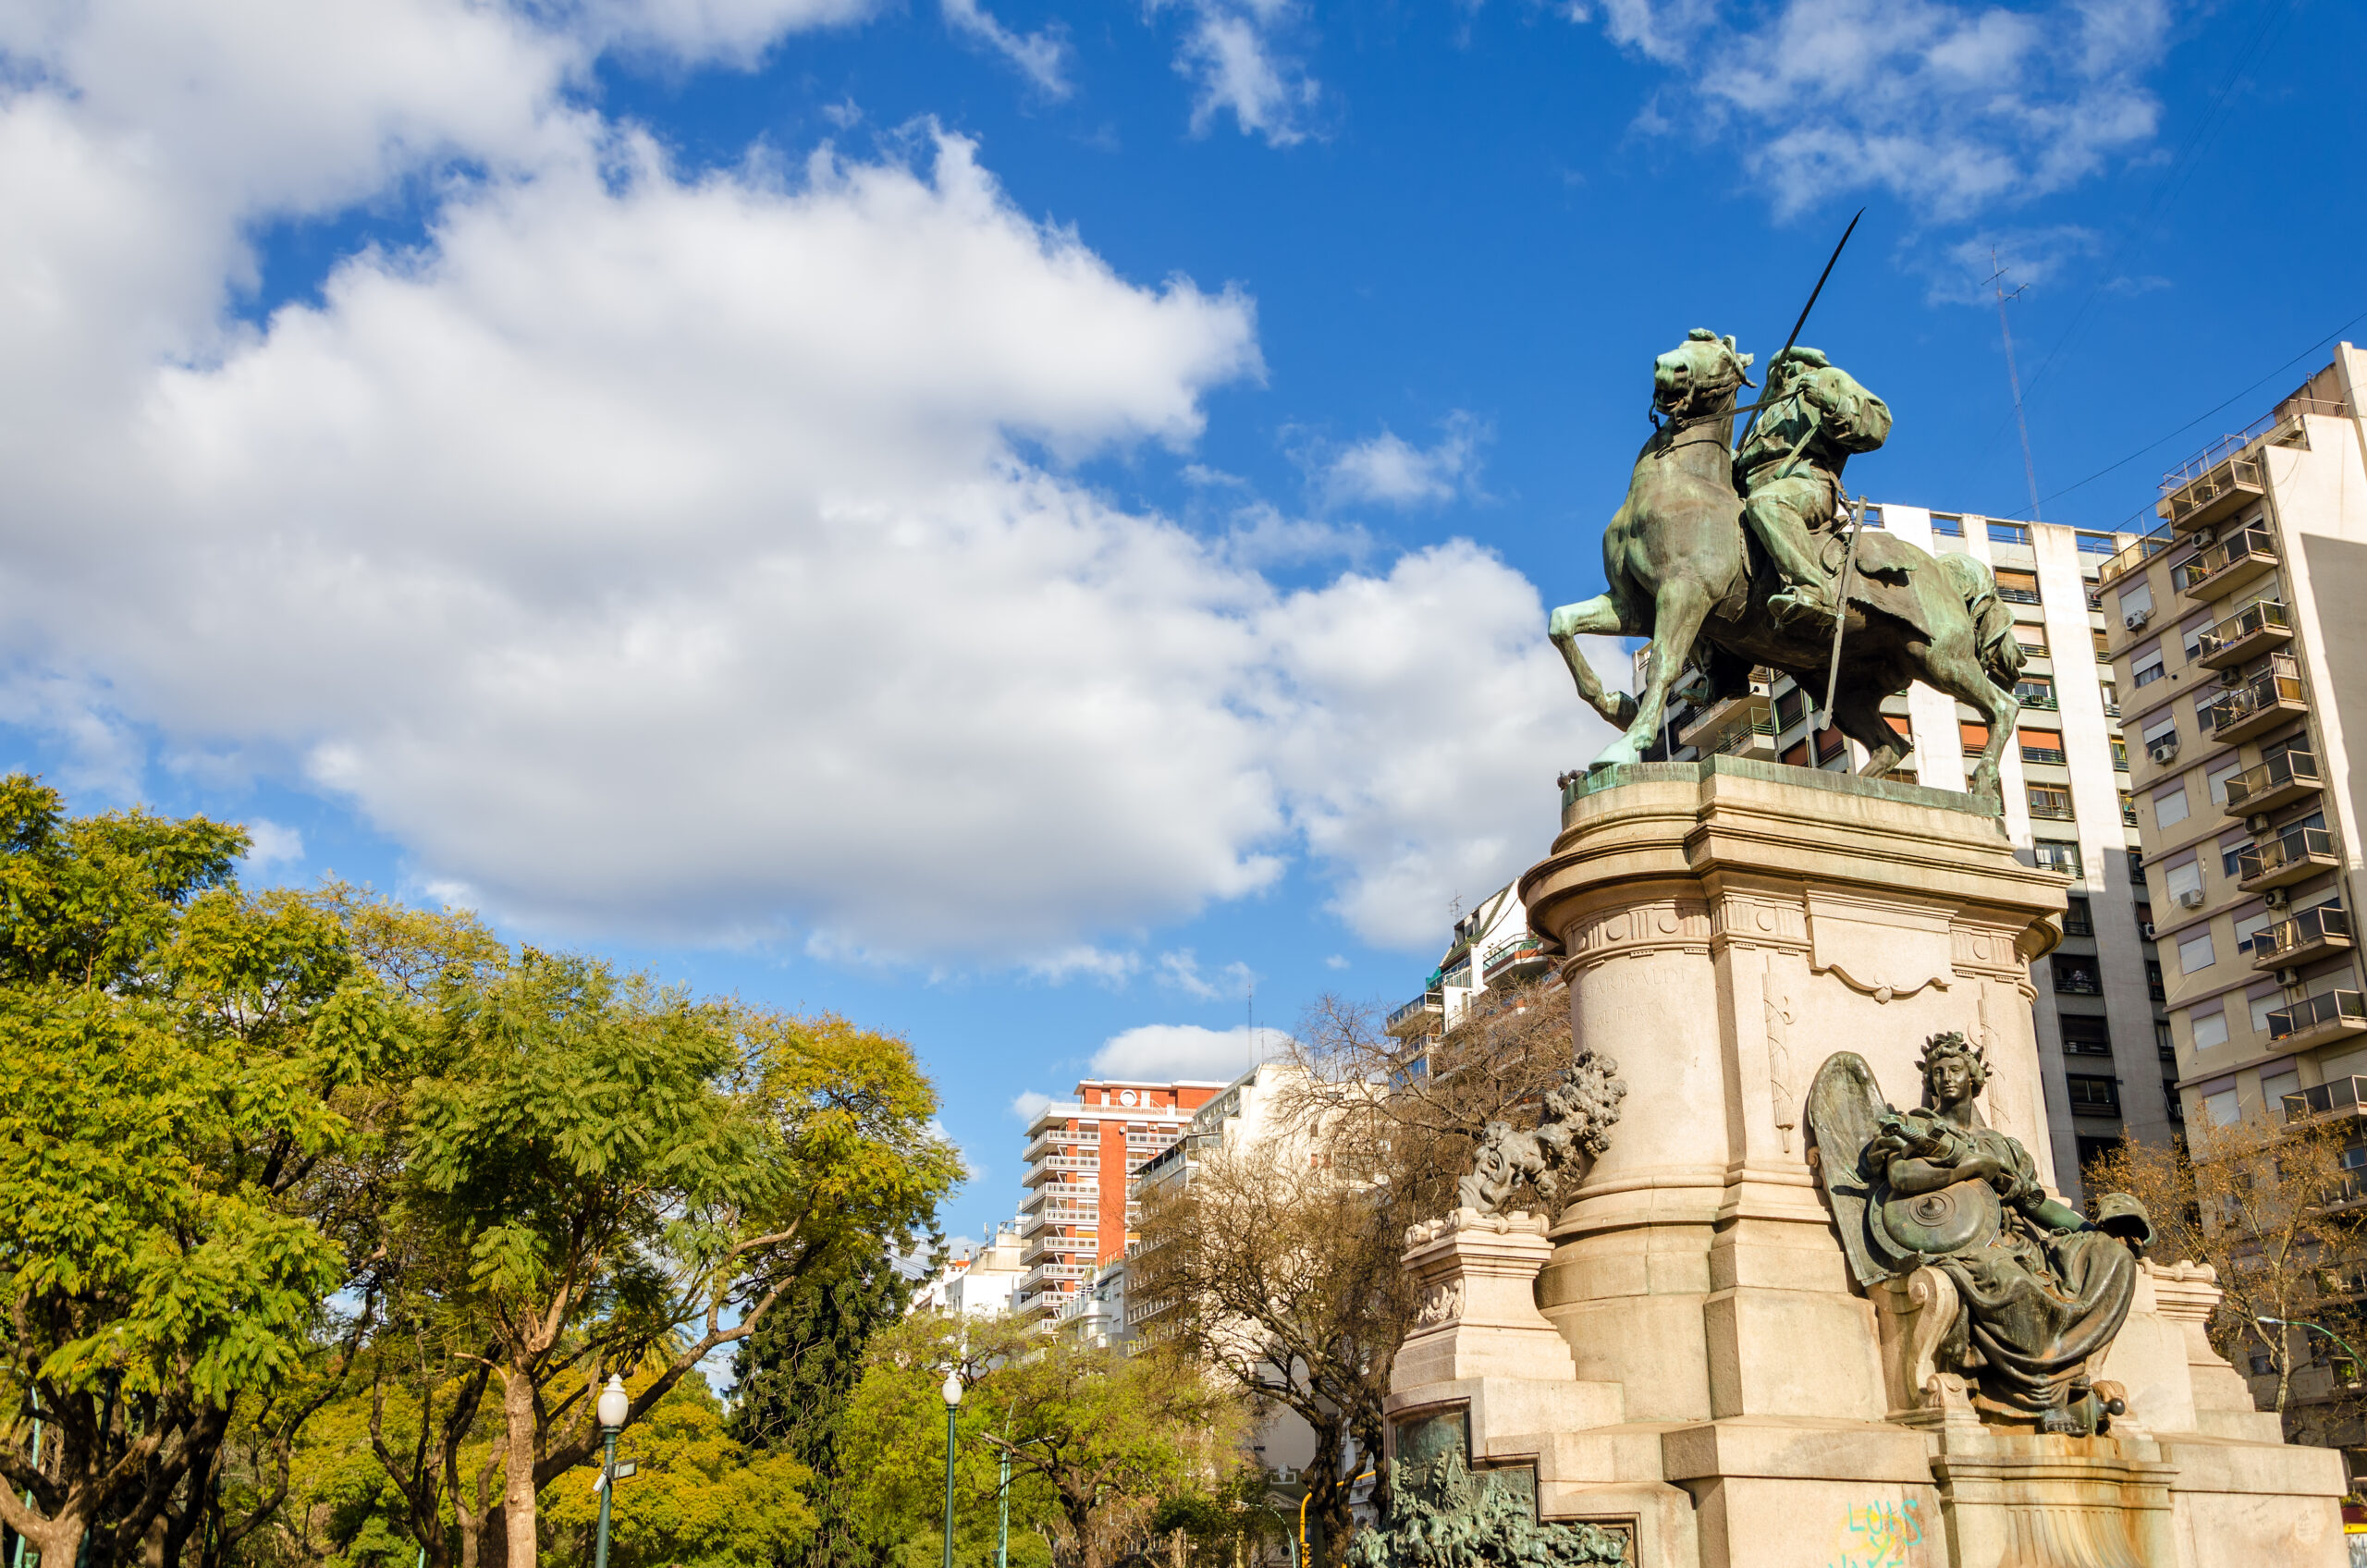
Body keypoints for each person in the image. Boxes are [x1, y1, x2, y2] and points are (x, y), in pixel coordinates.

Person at [1864, 1034, 2148, 1433]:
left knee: (2111, 1257)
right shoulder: (1918, 1128)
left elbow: (2038, 1206)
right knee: (2010, 1280)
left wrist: (2095, 1233)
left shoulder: (2005, 1147)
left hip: (2020, 1240)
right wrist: (1969, 1169)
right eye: (1937, 1072)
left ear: (1974, 1078)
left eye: (1956, 1070)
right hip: (1966, 1245)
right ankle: (2043, 1400)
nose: (1946, 1078)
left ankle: (2071, 1374)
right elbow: (1901, 1175)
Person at [1734, 346, 1892, 629]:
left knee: (1767, 503)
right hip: (1752, 488)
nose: (1780, 376)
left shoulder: (1829, 377)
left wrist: (1831, 402)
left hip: (1808, 482)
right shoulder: (1767, 412)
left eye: (1786, 368)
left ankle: (1812, 591)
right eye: (1775, 372)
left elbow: (1878, 425)